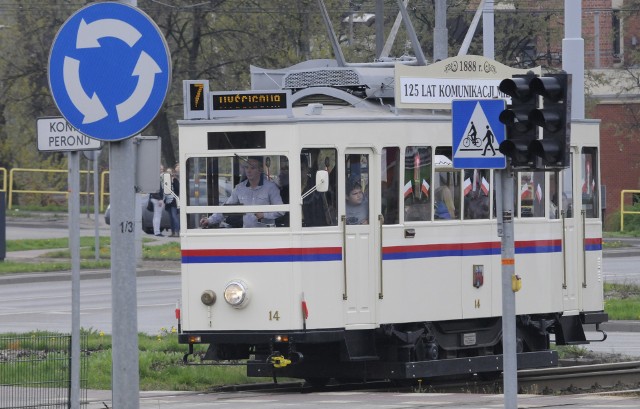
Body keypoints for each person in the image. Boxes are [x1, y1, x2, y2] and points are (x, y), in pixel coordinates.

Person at [200, 156, 284, 228]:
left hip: (267, 236)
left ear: (260, 170)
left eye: (252, 168)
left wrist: (264, 215)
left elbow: (281, 211)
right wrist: (209, 220)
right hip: (245, 235)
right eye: (246, 167)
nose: (248, 171)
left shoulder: (271, 187)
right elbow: (226, 208)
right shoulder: (239, 188)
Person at [301, 157, 328, 227]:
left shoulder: (316, 187)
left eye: (301, 169)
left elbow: (319, 211)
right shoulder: (287, 188)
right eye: (295, 169)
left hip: (312, 227)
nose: (299, 172)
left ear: (307, 169)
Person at [149, 165, 165, 236]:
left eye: (162, 169)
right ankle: (157, 232)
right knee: (157, 216)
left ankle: (157, 231)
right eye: (160, 169)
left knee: (157, 216)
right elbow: (155, 190)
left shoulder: (156, 177)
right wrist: (160, 199)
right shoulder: (155, 178)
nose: (161, 170)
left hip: (156, 198)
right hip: (157, 199)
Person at [165, 166, 180, 237]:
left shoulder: (175, 180)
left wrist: (173, 182)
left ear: (172, 173)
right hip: (168, 201)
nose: (169, 173)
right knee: (170, 217)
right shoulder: (165, 181)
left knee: (174, 216)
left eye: (170, 172)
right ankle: (172, 232)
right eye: (167, 172)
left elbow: (177, 190)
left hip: (174, 201)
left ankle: (177, 231)